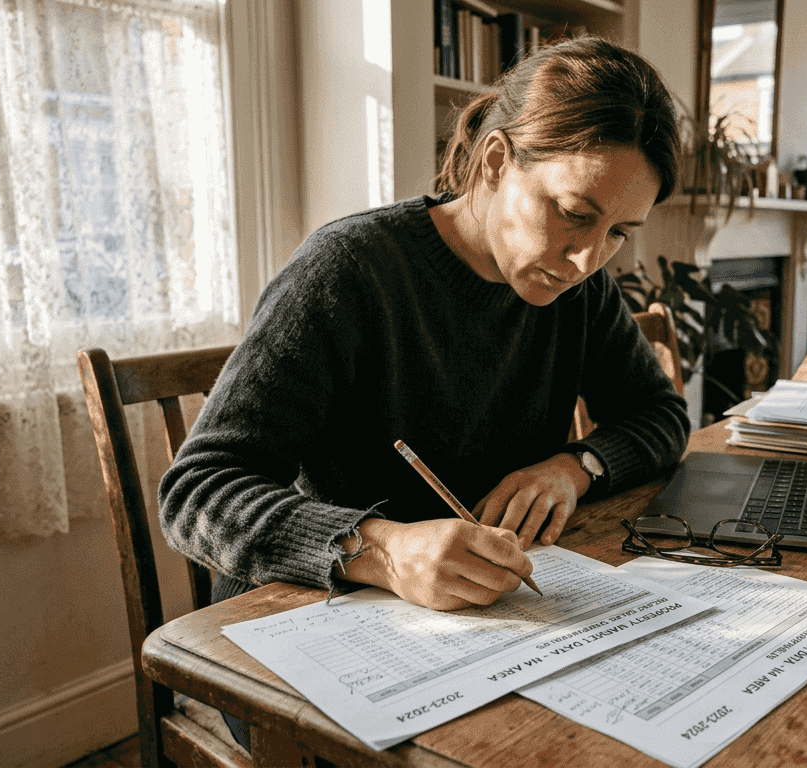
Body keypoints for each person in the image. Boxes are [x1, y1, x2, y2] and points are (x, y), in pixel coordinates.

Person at [159, 36, 688, 623]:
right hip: (302, 615)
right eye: (574, 214)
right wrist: (382, 549)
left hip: (480, 615)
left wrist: (573, 467)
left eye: (619, 232)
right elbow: (197, 493)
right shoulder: (348, 270)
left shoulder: (579, 288)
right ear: (494, 162)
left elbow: (659, 414)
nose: (588, 260)